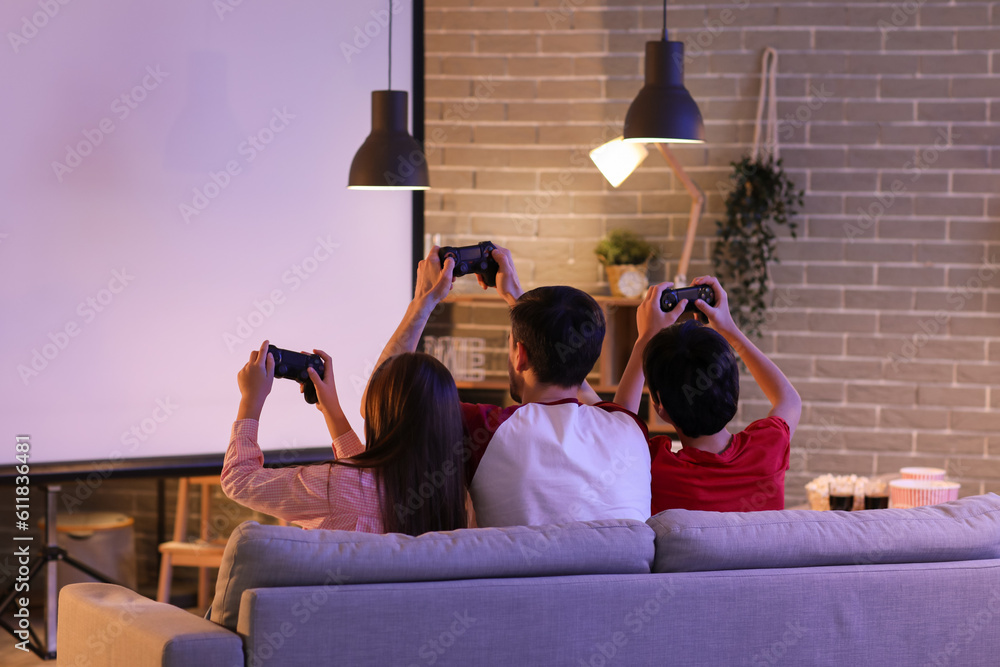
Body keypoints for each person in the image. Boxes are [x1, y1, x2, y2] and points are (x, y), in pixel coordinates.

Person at [363, 245, 651, 528]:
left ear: (520, 355)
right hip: (621, 576)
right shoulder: (627, 429)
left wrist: (422, 302)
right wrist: (517, 300)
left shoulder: (486, 430)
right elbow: (581, 378)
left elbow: (377, 405)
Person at [222, 339, 468, 535]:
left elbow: (239, 480)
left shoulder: (334, 486)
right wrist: (332, 409)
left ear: (377, 413)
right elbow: (366, 484)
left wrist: (251, 399)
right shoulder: (448, 497)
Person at [614, 276, 801, 514]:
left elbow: (618, 429)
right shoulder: (767, 450)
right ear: (734, 389)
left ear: (659, 403)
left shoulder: (653, 469)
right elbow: (789, 400)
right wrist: (729, 329)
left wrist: (644, 339)